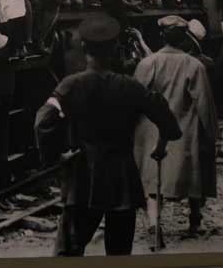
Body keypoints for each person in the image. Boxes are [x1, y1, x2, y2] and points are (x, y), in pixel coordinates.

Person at [34, 14, 182, 256]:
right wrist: (161, 145)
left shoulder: (70, 85)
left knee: (68, 252)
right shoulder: (130, 86)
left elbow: (43, 122)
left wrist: (53, 158)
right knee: (119, 254)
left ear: (83, 48)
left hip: (83, 178)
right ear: (114, 48)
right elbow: (167, 119)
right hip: (121, 180)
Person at [133, 15, 218, 245]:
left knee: (152, 180)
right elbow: (205, 106)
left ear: (162, 36)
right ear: (184, 38)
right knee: (193, 173)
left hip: (152, 130)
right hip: (185, 130)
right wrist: (211, 136)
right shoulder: (195, 66)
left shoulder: (148, 64)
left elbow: (135, 98)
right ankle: (194, 219)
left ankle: (153, 225)